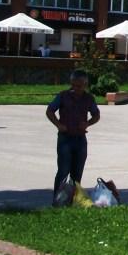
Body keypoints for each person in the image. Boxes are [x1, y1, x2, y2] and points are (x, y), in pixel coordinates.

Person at [46, 69, 100, 205]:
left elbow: (96, 115)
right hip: (65, 138)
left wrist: (88, 123)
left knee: (77, 174)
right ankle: (57, 202)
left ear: (85, 85)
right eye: (73, 85)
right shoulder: (63, 96)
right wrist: (58, 125)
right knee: (63, 171)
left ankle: (72, 201)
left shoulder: (89, 98)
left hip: (80, 139)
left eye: (79, 86)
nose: (76, 89)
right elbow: (50, 111)